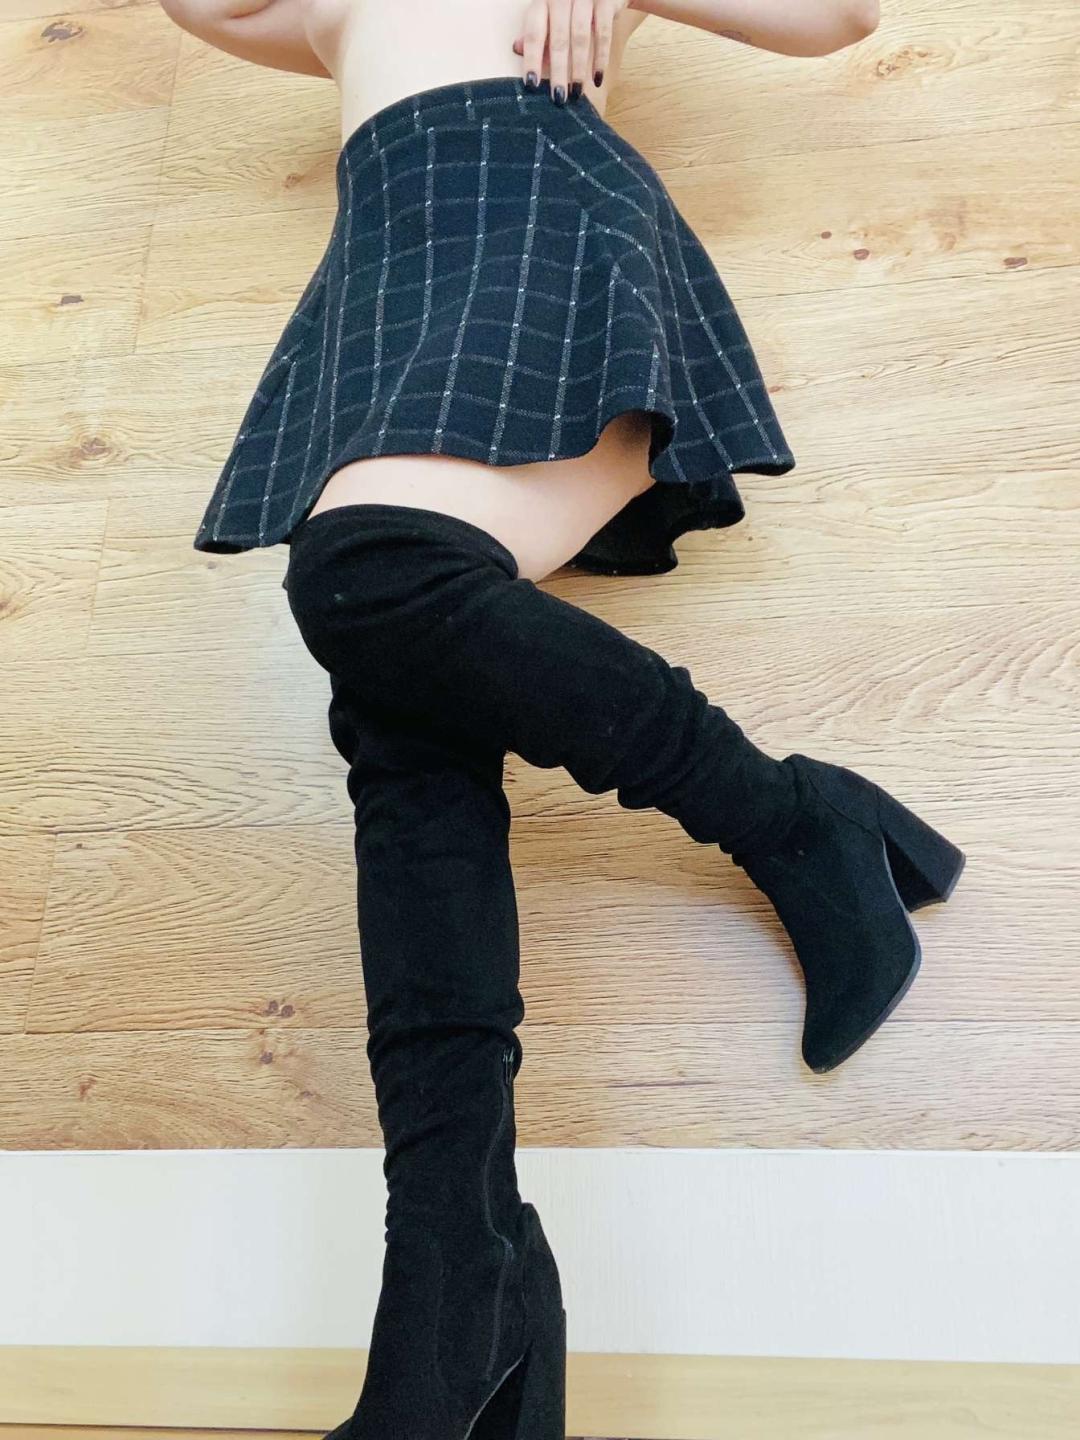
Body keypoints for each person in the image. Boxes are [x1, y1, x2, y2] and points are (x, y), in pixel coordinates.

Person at [162, 1, 964, 1435]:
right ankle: (455, 1309)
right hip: (392, 276)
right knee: (403, 733)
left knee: (371, 576)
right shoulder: (322, 9)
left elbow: (840, 17)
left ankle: (797, 823)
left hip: (533, 201)